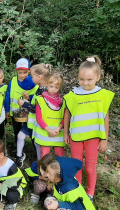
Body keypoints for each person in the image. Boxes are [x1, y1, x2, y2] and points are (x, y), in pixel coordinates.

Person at [63, 55, 114, 201]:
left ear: (98, 77)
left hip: (94, 137)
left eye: (89, 79)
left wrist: (104, 139)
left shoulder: (103, 95)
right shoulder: (73, 95)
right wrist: (66, 132)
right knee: (76, 165)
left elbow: (105, 117)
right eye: (81, 79)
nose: (85, 83)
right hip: (76, 136)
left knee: (90, 167)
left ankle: (89, 193)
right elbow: (67, 114)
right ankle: (77, 190)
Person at [4, 58, 38, 167]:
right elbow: (8, 96)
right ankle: (19, 152)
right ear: (16, 72)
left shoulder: (34, 82)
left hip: (31, 115)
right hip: (16, 114)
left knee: (32, 133)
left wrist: (29, 98)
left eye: (24, 72)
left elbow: (37, 98)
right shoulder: (13, 81)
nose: (22, 75)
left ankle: (36, 152)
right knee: (17, 132)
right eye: (20, 73)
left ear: (29, 71)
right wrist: (7, 110)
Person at [18, 63, 51, 161]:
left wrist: (24, 104)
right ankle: (23, 158)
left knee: (39, 145)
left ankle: (41, 165)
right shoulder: (40, 89)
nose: (31, 78)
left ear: (39, 77)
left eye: (32, 76)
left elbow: (37, 110)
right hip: (33, 123)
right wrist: (28, 99)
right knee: (28, 140)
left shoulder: (44, 92)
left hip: (39, 125)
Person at [34, 73, 66, 158]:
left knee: (60, 156)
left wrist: (58, 129)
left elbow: (64, 117)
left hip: (58, 133)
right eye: (51, 86)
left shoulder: (63, 101)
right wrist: (49, 131)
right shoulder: (41, 100)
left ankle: (59, 171)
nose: (53, 89)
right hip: (45, 133)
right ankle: (43, 171)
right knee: (44, 155)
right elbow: (39, 118)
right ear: (47, 84)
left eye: (56, 87)